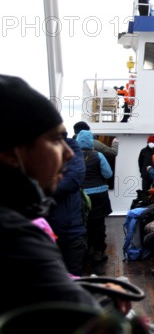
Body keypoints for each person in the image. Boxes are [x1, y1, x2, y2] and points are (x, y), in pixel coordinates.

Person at [0, 74, 99, 313]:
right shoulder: (15, 237)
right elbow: (87, 319)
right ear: (12, 153)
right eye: (55, 139)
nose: (68, 153)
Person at [47, 137, 88, 277]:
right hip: (40, 232)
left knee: (72, 276)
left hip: (69, 230)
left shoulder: (69, 145)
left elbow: (73, 179)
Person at [76, 129, 113, 264]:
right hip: (98, 194)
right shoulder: (98, 155)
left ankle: (84, 250)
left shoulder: (73, 156)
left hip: (80, 195)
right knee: (97, 223)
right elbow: (108, 174)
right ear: (91, 142)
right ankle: (98, 252)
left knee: (81, 222)